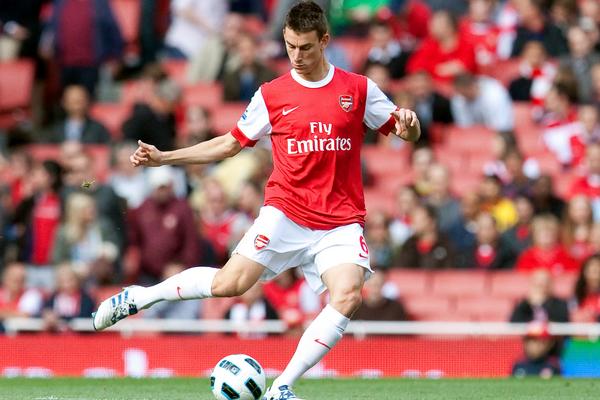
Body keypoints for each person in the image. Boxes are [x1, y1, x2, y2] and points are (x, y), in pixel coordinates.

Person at [92, 2, 421, 399]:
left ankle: (281, 387)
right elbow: (229, 144)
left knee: (348, 295)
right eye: (290, 46)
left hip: (340, 220)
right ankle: (140, 297)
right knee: (228, 284)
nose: (296, 56)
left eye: (305, 47)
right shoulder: (273, 94)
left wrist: (410, 125)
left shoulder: (358, 89)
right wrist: (165, 158)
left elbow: (405, 131)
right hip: (286, 213)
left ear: (324, 41)